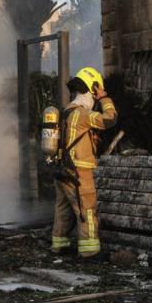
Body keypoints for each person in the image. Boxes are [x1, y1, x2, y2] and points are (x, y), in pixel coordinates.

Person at [51, 67, 117, 258]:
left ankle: (59, 245)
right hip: (78, 171)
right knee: (86, 209)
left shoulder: (65, 111)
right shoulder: (81, 114)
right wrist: (104, 98)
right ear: (92, 89)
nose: (94, 101)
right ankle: (90, 252)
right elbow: (110, 119)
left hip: (62, 170)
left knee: (63, 210)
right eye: (94, 96)